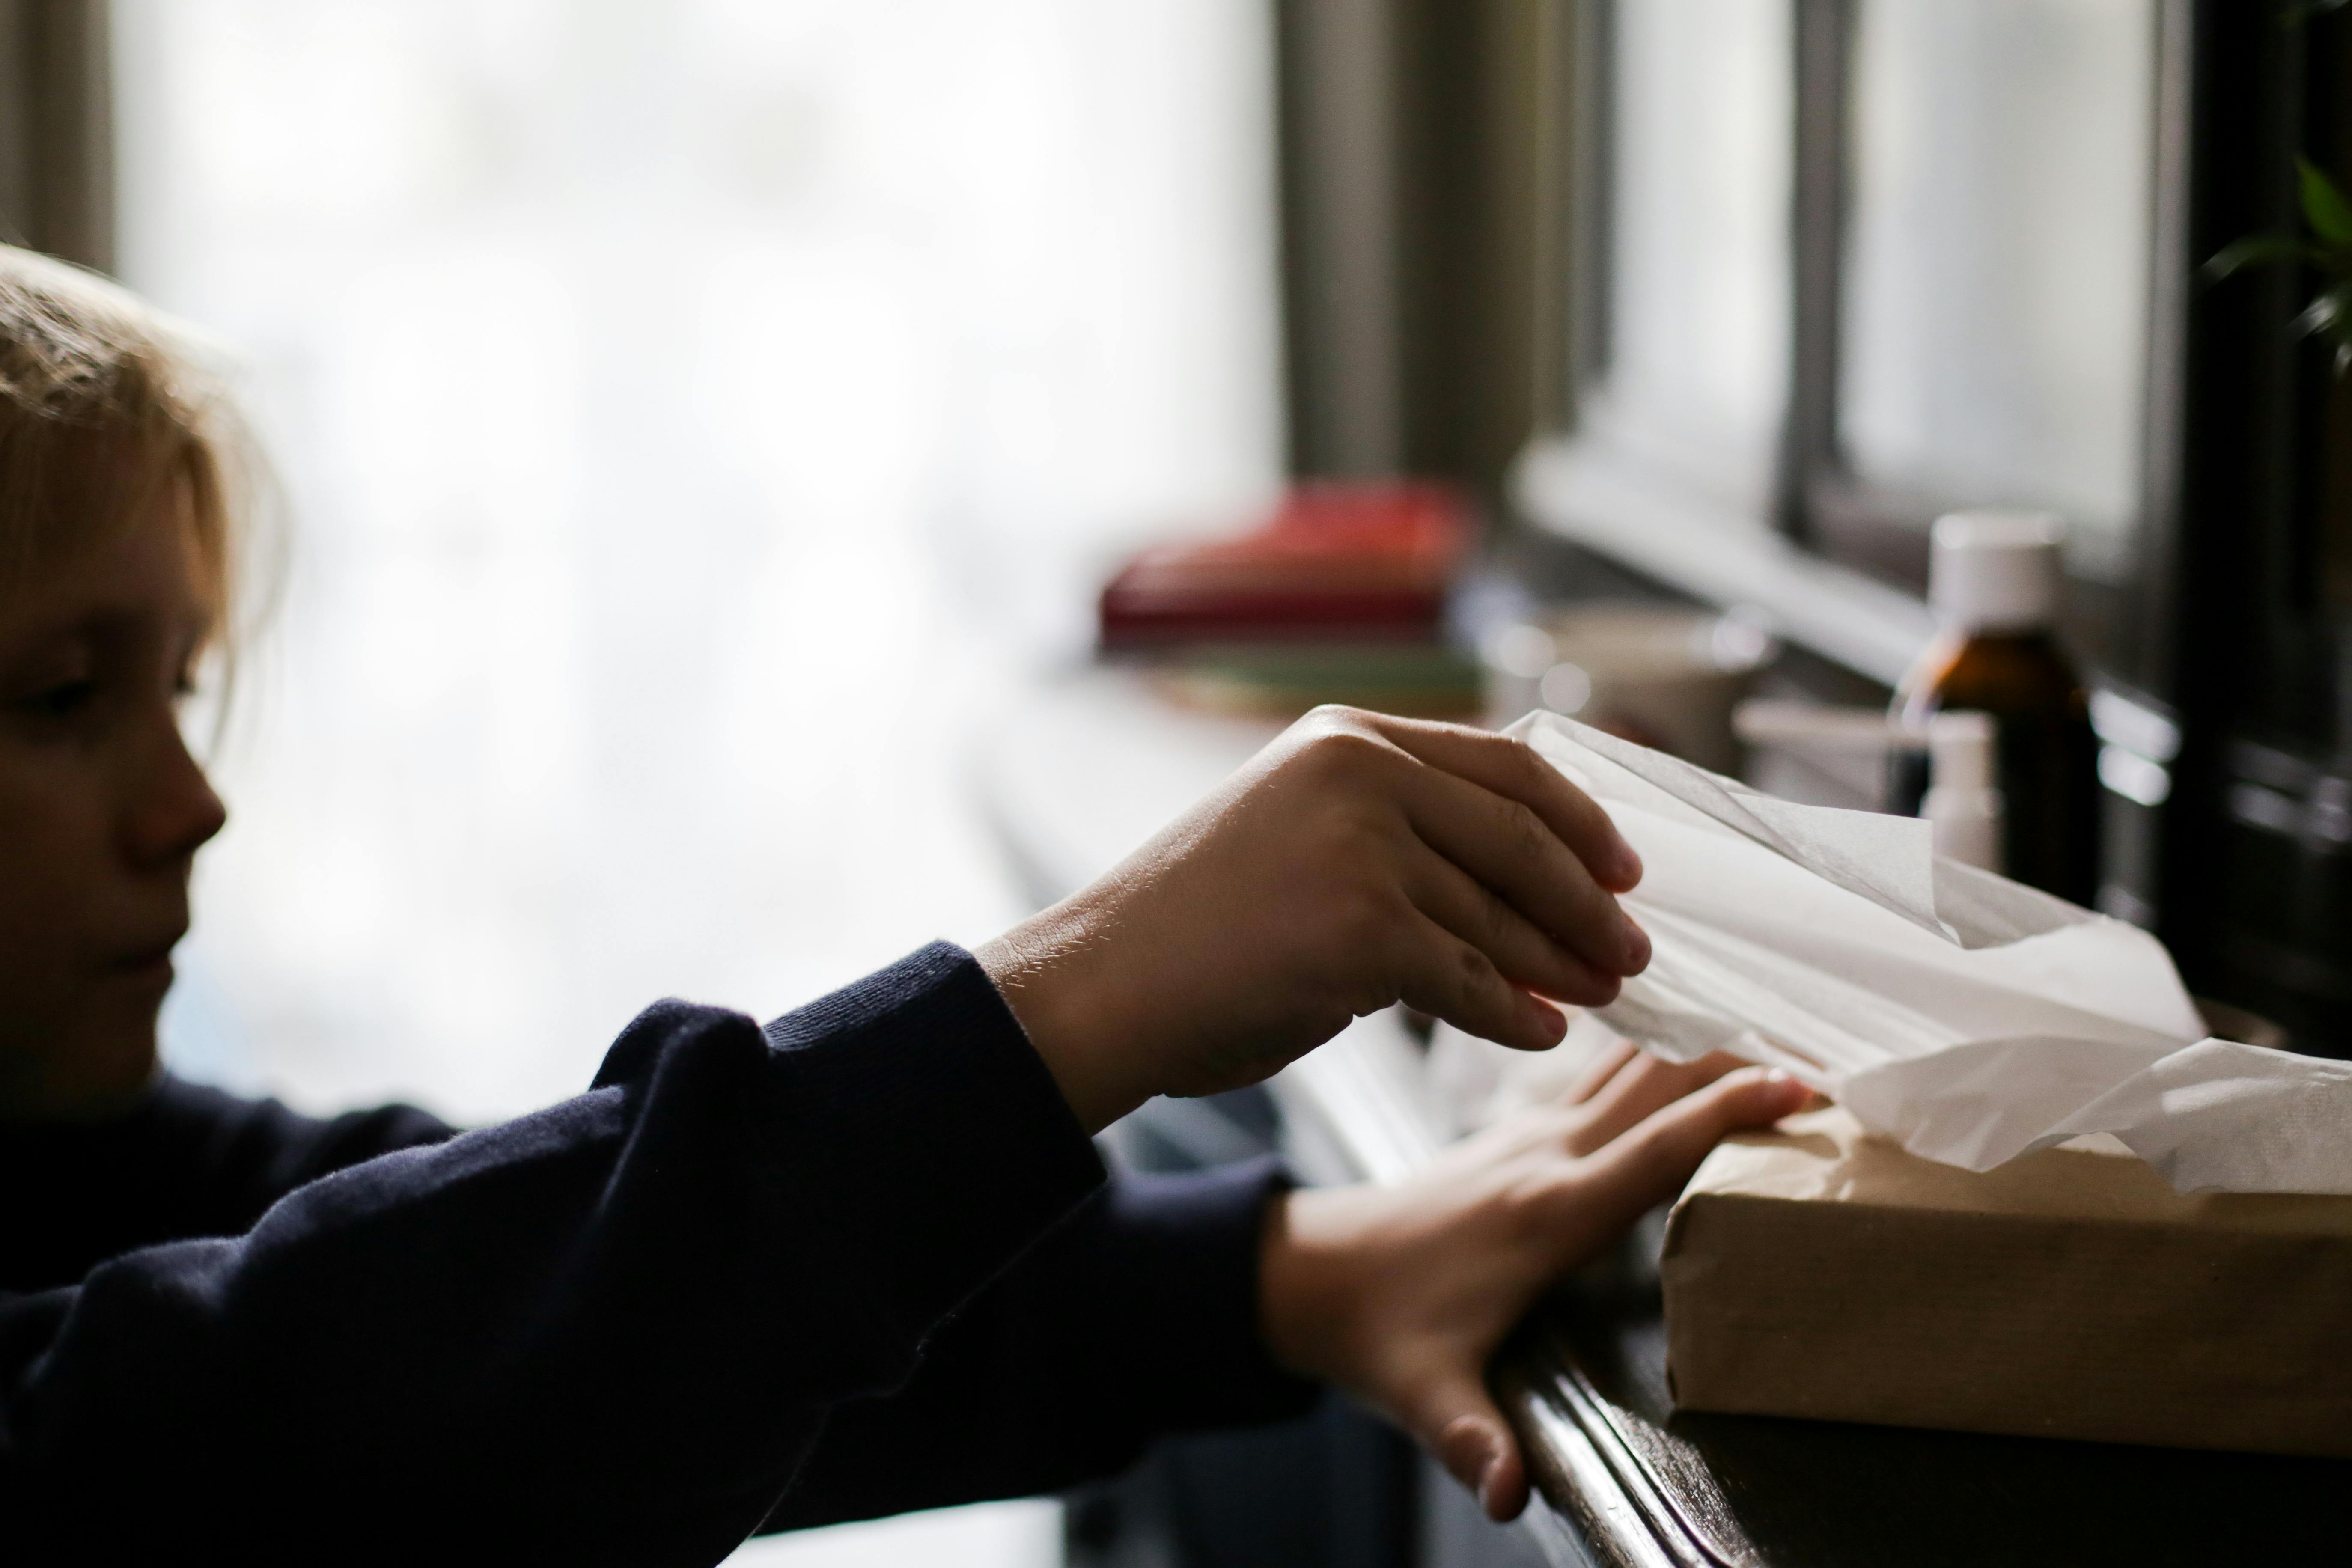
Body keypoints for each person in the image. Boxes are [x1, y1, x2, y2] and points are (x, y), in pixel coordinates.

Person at [0, 245, 1807, 1564]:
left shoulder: (85, 1150)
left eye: (182, 685)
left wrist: (1287, 1275)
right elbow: (269, 1418)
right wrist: (1087, 992)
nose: (190, 798)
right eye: (63, 697)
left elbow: (532, 1310)